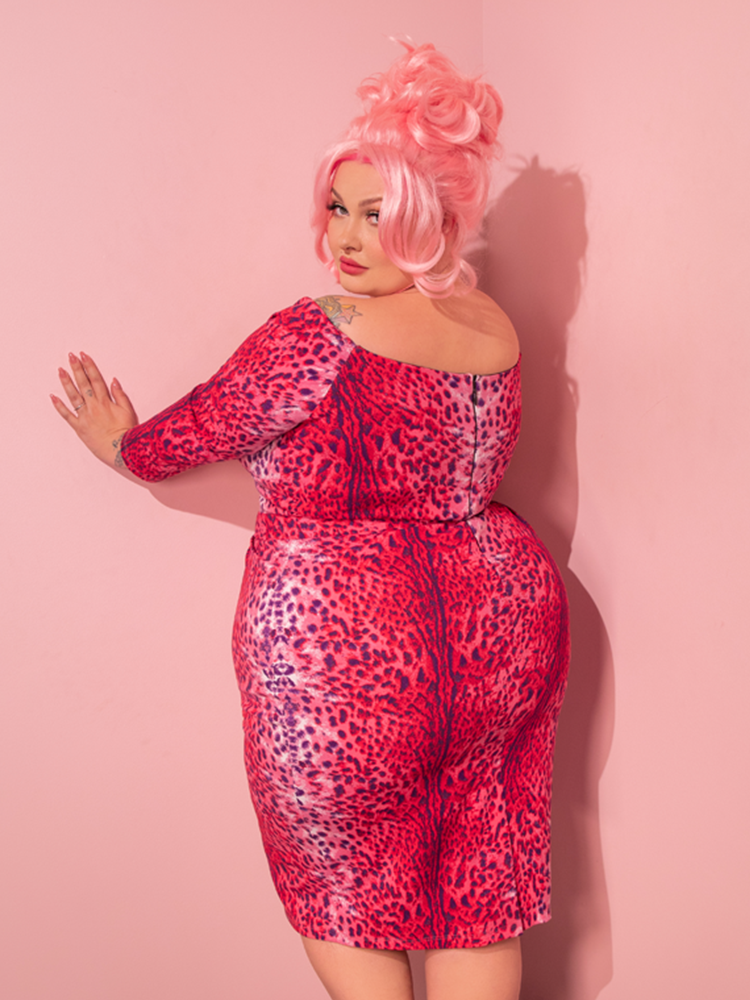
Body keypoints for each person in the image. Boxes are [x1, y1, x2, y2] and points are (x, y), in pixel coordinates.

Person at [51, 42, 569, 1000]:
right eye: (339, 207)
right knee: (473, 887)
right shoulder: (494, 326)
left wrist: (120, 443)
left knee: (340, 888)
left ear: (431, 220)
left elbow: (189, 435)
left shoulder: (320, 332)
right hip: (500, 627)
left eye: (378, 214)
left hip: (344, 650)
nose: (346, 237)